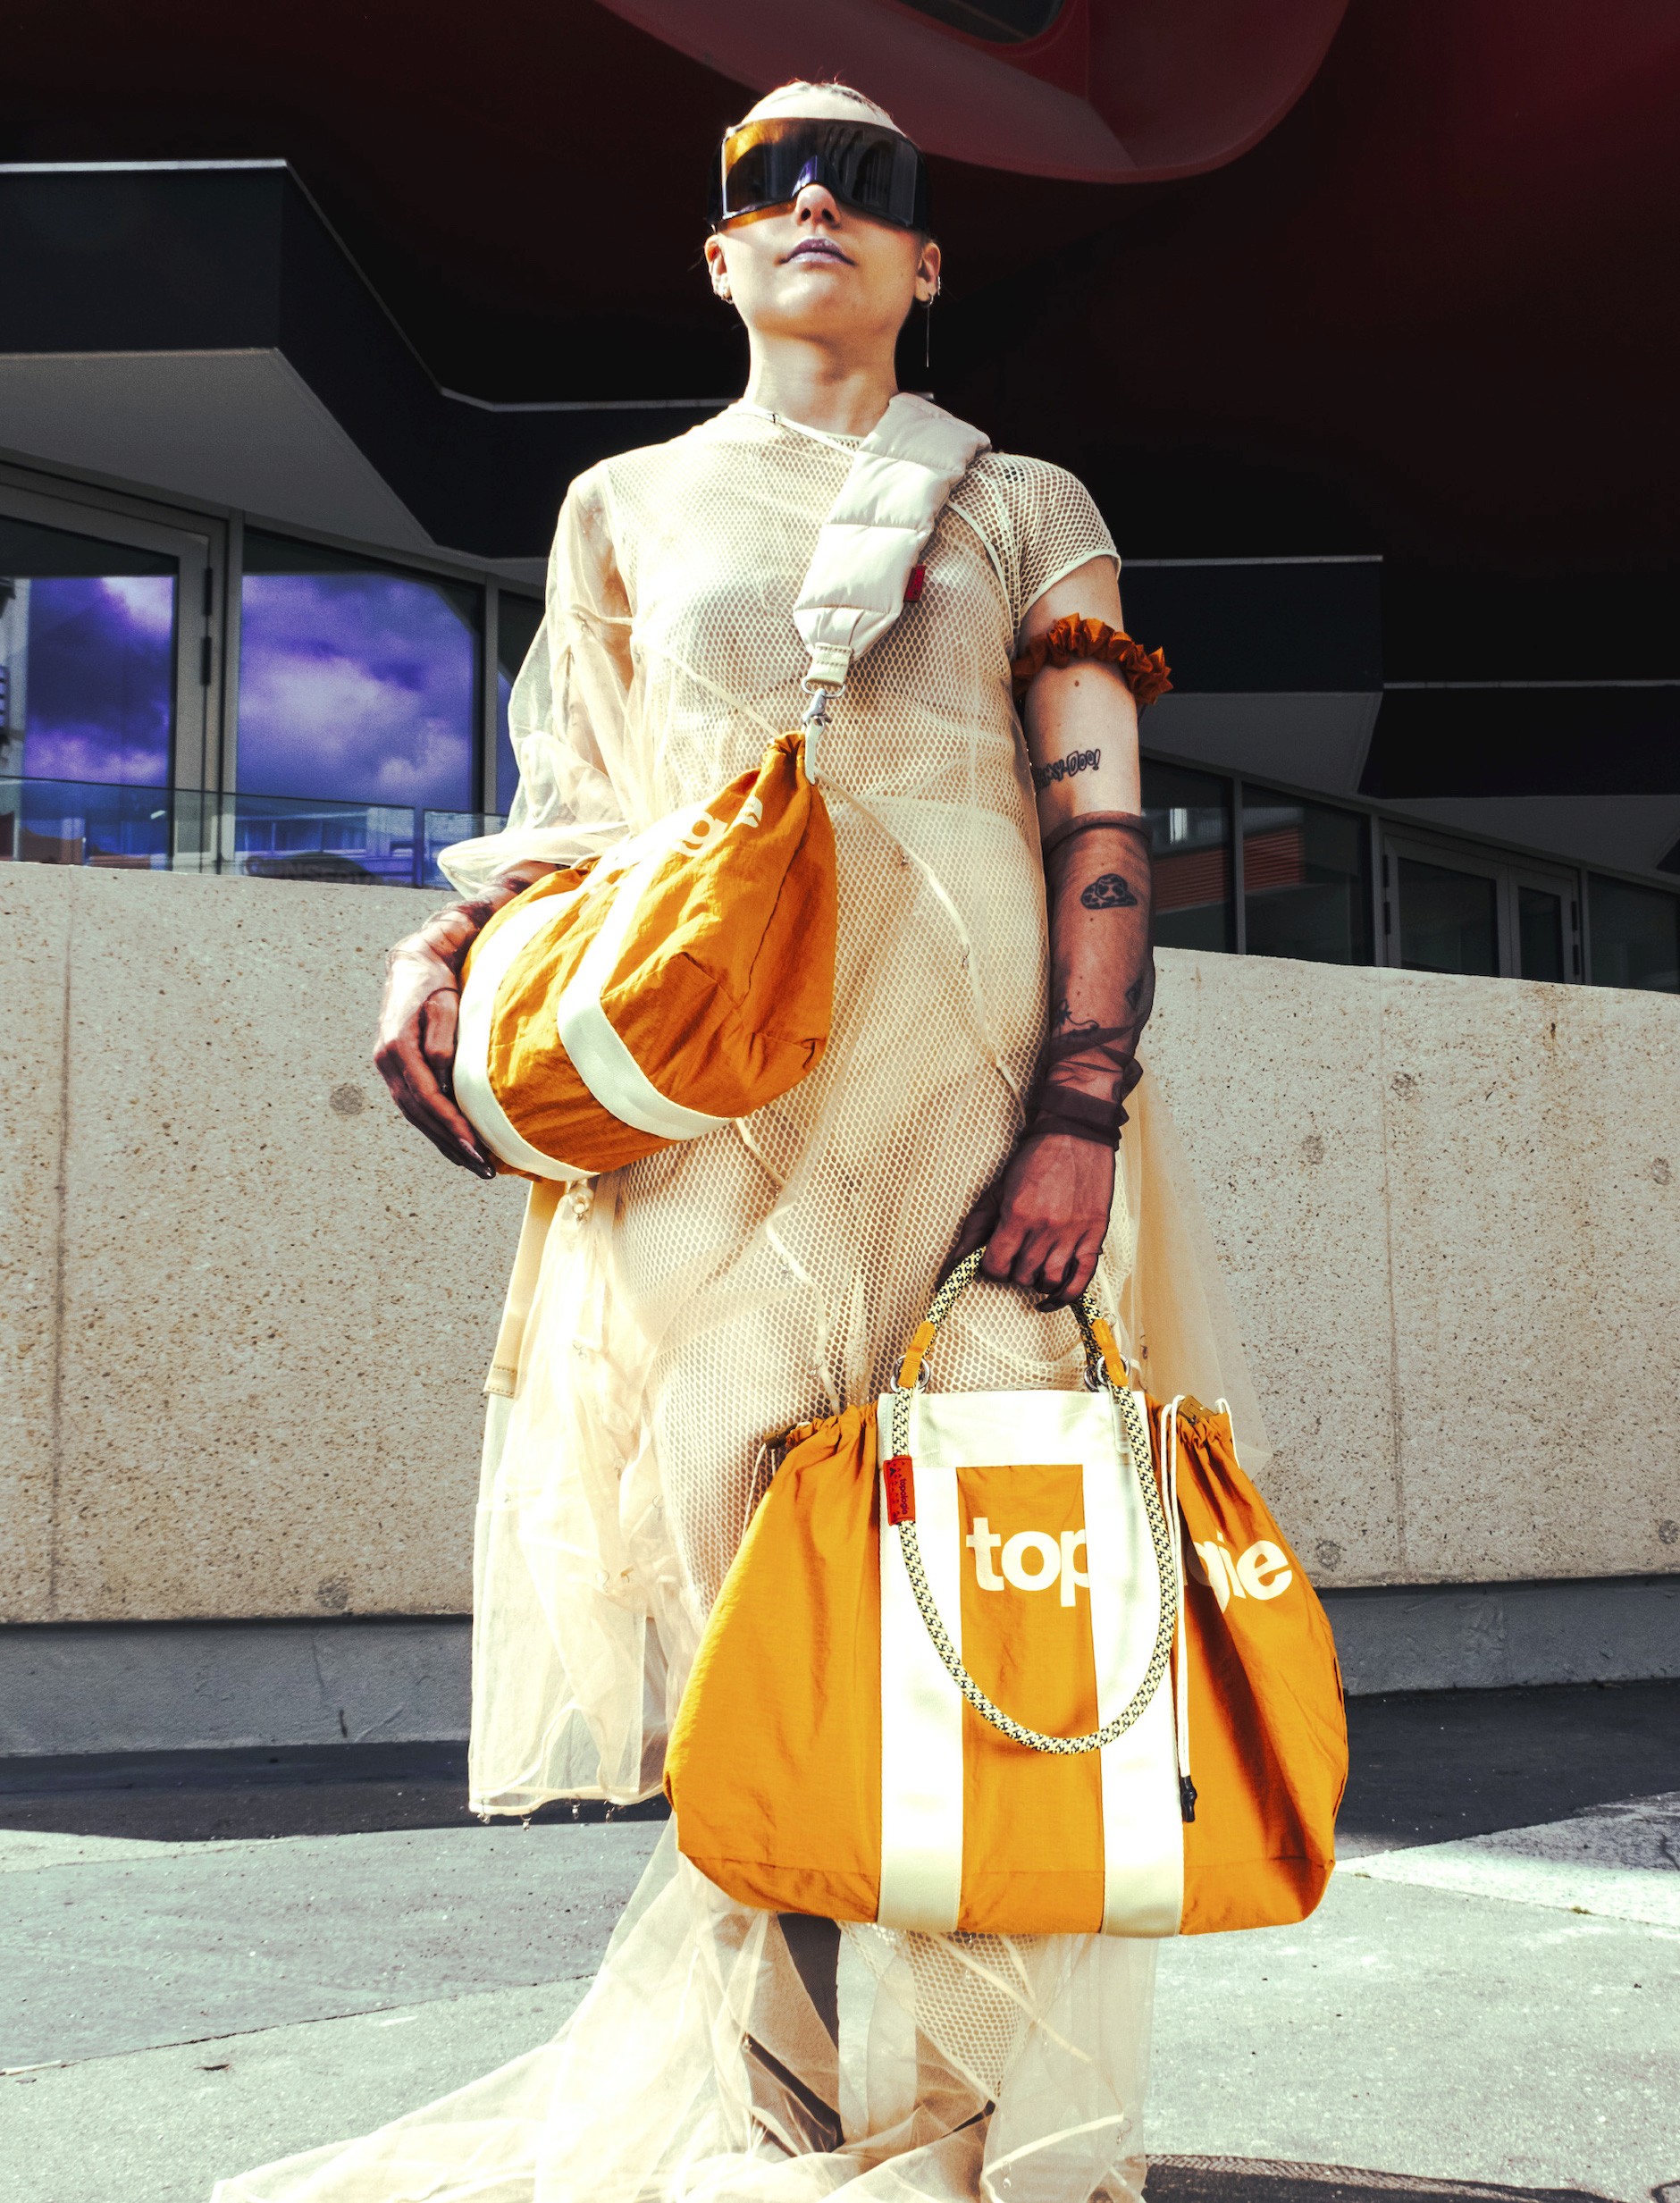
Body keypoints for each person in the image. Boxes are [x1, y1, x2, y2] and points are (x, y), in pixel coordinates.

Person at [219, 77, 1264, 2203]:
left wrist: (1080, 1107)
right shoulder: (619, 506)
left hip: (971, 1102)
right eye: (765, 182)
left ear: (922, 261)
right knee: (743, 1607)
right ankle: (796, 2133)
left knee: (983, 1590)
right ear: (715, 255)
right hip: (715, 1111)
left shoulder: (1015, 499)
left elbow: (1100, 819)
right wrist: (450, 943)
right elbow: (581, 809)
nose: (812, 203)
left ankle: (967, 2132)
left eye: (864, 185)